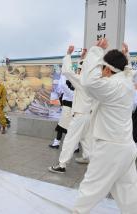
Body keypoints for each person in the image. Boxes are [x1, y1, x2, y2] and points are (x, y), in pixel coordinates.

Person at [73, 39, 137, 213]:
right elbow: (125, 71)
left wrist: (97, 50)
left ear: (107, 69)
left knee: (91, 187)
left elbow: (89, 82)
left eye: (102, 69)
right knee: (129, 192)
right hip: (126, 147)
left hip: (110, 148)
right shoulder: (126, 82)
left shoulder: (113, 85)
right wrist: (124, 56)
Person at [49, 46, 92, 174]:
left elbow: (67, 71)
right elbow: (80, 69)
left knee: (69, 140)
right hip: (89, 115)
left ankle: (62, 165)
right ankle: (89, 158)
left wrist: (68, 55)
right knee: (86, 139)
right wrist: (82, 58)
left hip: (80, 115)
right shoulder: (93, 80)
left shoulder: (82, 81)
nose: (78, 72)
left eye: (80, 69)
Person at [49, 74, 74, 148]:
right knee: (64, 127)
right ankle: (74, 146)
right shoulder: (73, 92)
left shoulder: (69, 92)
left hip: (67, 110)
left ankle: (57, 143)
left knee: (62, 127)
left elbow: (63, 85)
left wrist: (64, 74)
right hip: (68, 109)